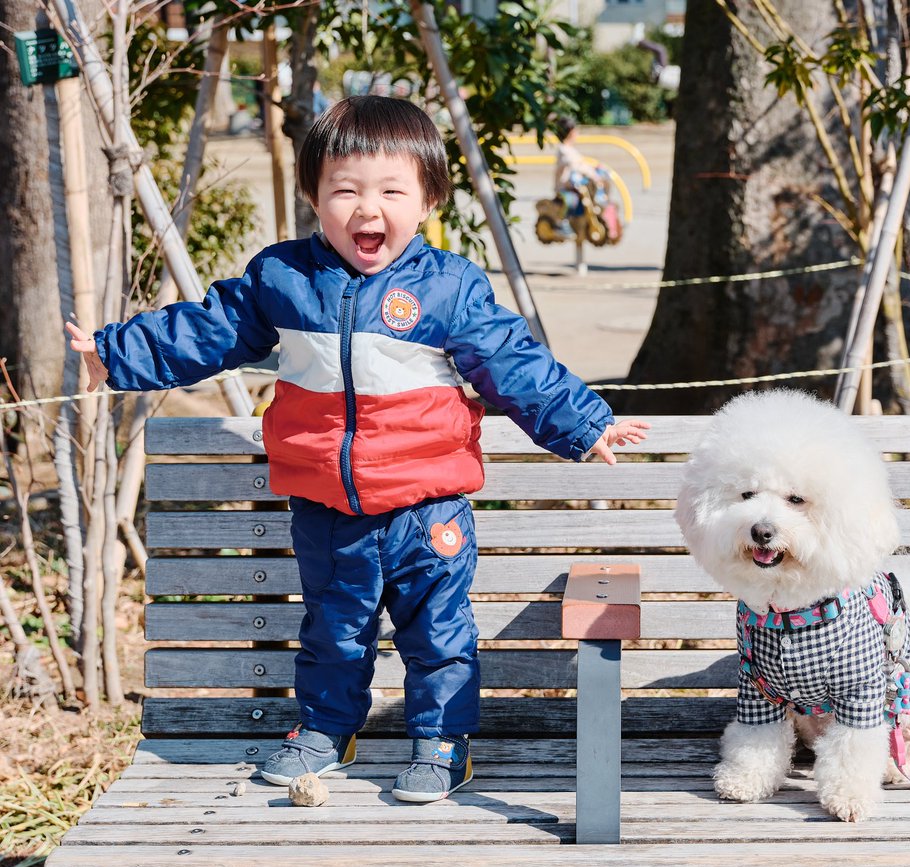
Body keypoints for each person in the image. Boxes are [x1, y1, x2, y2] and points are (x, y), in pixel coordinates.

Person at [67, 95, 649, 803]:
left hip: (425, 511)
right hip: (327, 507)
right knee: (333, 632)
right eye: (344, 190)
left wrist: (585, 423)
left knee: (436, 634)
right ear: (315, 195)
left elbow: (512, 363)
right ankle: (324, 728)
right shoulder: (283, 280)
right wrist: (115, 353)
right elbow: (207, 330)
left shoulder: (447, 288)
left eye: (391, 191)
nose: (367, 209)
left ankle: (440, 743)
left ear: (428, 198)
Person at [551, 115, 620, 242]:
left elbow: (582, 164)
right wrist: (592, 174)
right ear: (570, 132)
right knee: (572, 200)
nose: (577, 133)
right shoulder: (563, 150)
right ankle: (561, 223)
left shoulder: (571, 150)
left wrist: (596, 170)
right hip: (565, 189)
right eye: (575, 131)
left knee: (592, 195)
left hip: (576, 186)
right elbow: (575, 165)